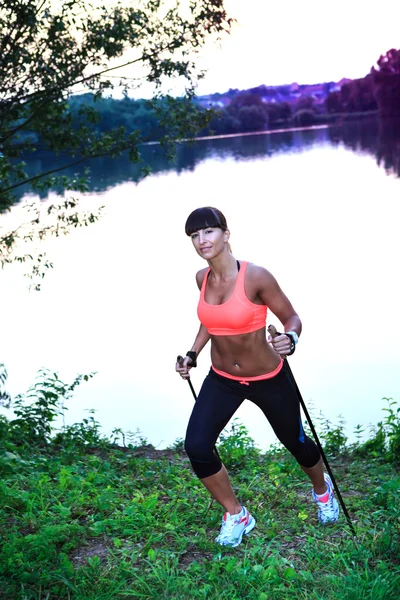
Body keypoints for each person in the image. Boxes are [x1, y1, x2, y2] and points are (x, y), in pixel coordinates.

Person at [176, 206, 339, 548]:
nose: (201, 240)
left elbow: (291, 317)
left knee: (295, 441)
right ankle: (236, 514)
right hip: (222, 378)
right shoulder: (201, 278)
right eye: (194, 235)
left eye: (208, 231)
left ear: (226, 233)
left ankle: (323, 492)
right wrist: (192, 353)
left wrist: (289, 339)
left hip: (268, 377)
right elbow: (211, 319)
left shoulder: (255, 277)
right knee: (197, 445)